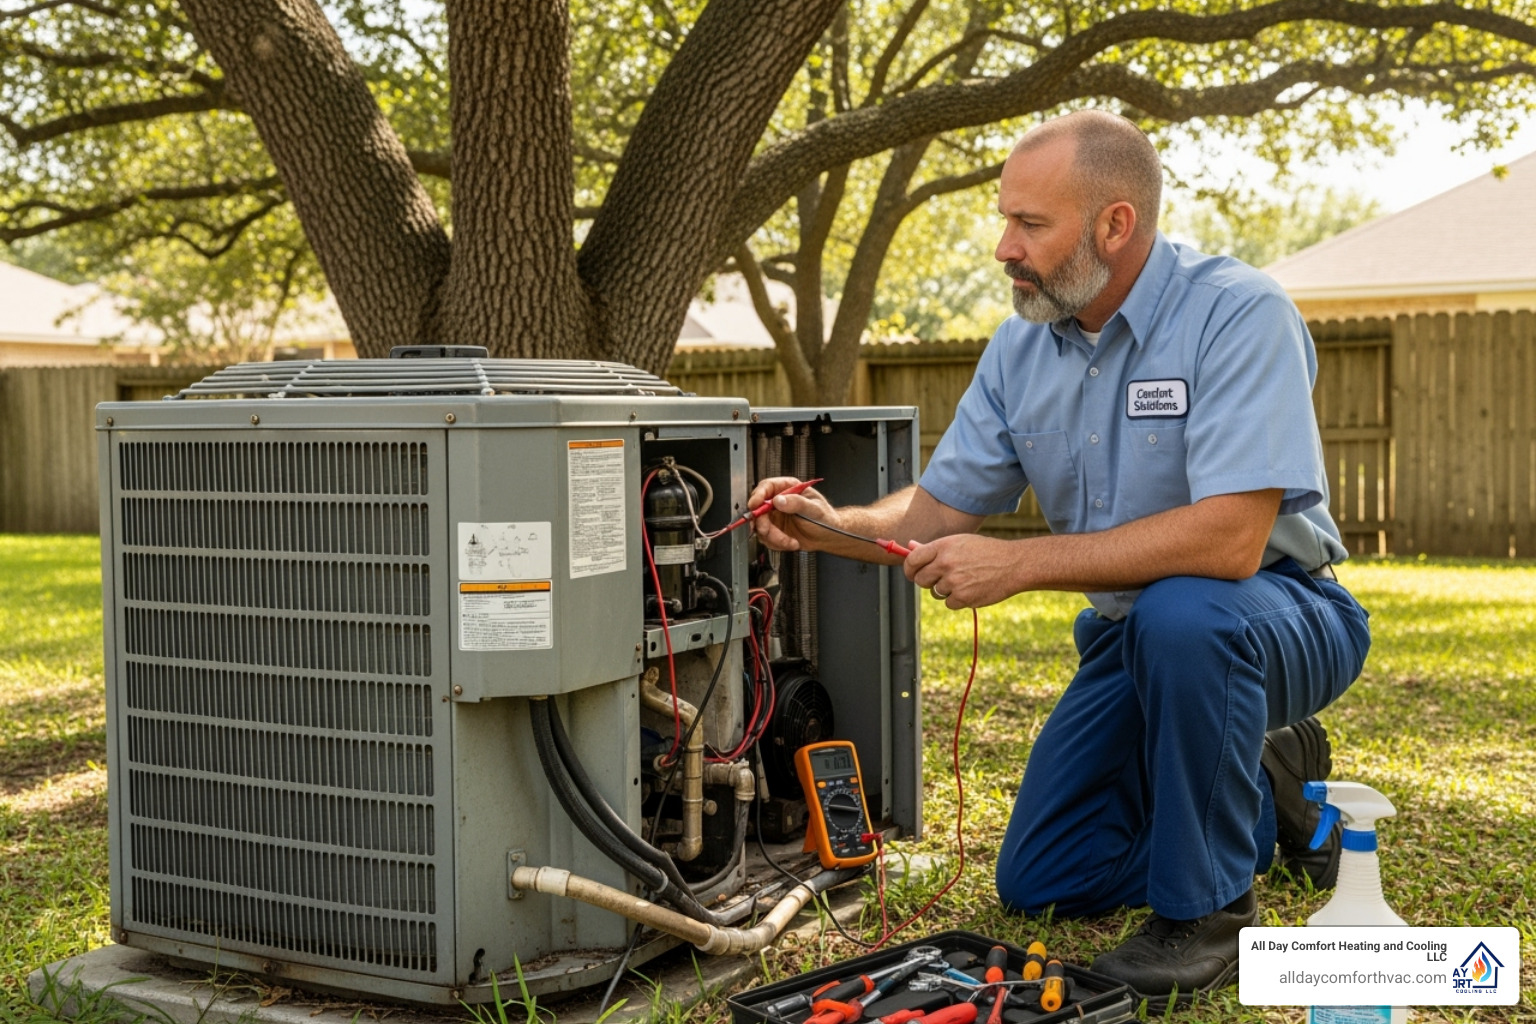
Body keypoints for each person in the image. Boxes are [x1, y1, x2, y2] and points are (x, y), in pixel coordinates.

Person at [747, 110, 1372, 1009]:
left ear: (1115, 225)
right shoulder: (1021, 346)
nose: (1005, 246)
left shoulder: (1239, 313)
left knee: (1185, 613)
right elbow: (933, 511)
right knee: (1044, 876)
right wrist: (832, 523)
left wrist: (1022, 563)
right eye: (1006, 219)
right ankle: (1269, 790)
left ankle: (1209, 918)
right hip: (1141, 638)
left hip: (1279, 611)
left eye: (1030, 224)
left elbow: (1232, 539)